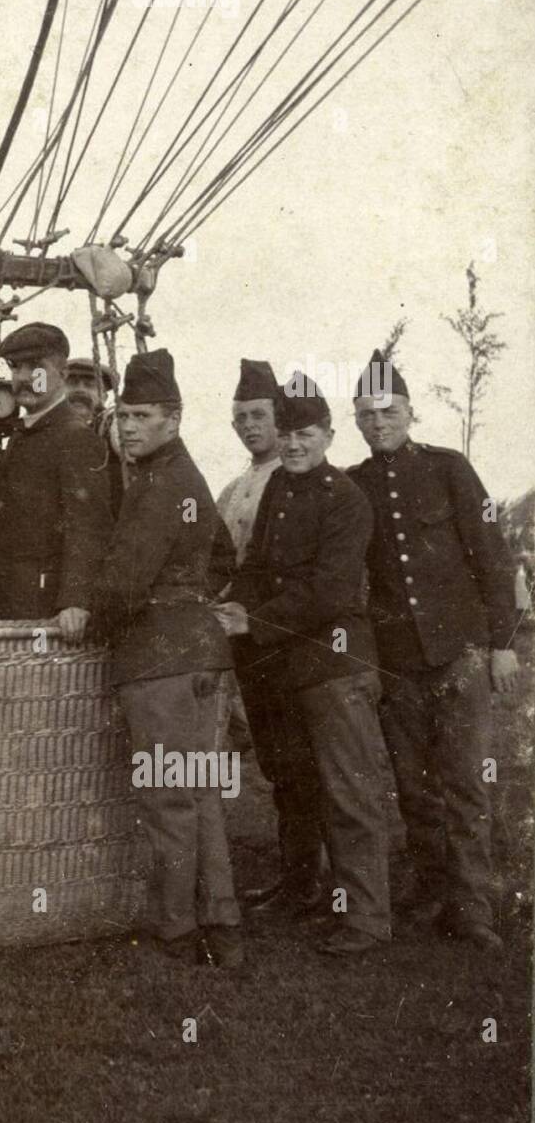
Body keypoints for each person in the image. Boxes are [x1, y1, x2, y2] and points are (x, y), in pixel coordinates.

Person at [219, 371, 393, 957]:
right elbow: (257, 565)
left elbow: (332, 591)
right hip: (286, 666)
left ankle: (366, 918)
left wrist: (255, 623)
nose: (293, 444)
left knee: (350, 794)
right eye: (287, 432)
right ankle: (305, 891)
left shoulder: (345, 498)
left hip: (336, 667)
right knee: (294, 783)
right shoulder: (277, 491)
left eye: (307, 434)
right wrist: (233, 600)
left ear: (329, 436)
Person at [349, 350, 518, 951]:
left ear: (410, 411)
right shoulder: (355, 485)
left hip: (460, 653)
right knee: (413, 786)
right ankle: (430, 888)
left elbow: (492, 558)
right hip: (397, 661)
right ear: (356, 422)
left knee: (465, 781)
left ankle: (473, 906)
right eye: (366, 414)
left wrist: (500, 645)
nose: (378, 423)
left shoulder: (449, 469)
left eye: (388, 411)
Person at [93, 348, 242, 967]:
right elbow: (225, 560)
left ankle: (178, 930)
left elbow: (123, 588)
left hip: (159, 661)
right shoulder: (188, 478)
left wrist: (90, 617)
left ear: (173, 420)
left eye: (142, 415)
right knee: (199, 790)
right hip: (202, 654)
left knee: (168, 794)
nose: (127, 426)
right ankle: (223, 925)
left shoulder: (160, 484)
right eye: (123, 415)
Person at [216, 360, 325, 918]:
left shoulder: (295, 479)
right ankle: (297, 875)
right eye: (240, 417)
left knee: (304, 761)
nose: (250, 425)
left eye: (259, 415)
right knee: (278, 761)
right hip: (248, 639)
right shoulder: (236, 488)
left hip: (290, 638)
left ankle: (313, 880)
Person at [0, 323, 111, 640]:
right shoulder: (24, 433)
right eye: (15, 368)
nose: (23, 378)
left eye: (36, 367)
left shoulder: (75, 437)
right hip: (12, 597)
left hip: (47, 605)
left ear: (63, 372)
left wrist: (75, 600)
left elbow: (88, 526)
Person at [65, 355, 124, 517]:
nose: (80, 389)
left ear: (104, 397)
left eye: (89, 385)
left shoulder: (112, 430)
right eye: (72, 383)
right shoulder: (45, 433)